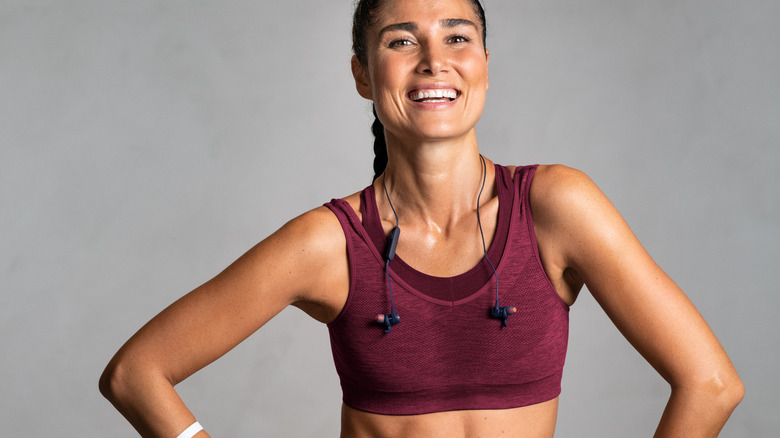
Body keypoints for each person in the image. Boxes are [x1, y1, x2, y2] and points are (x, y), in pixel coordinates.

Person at [99, 0, 744, 436]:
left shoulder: (555, 207)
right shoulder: (330, 243)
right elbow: (136, 374)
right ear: (361, 74)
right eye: (401, 40)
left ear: (485, 63)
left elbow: (711, 384)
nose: (435, 61)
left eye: (457, 37)